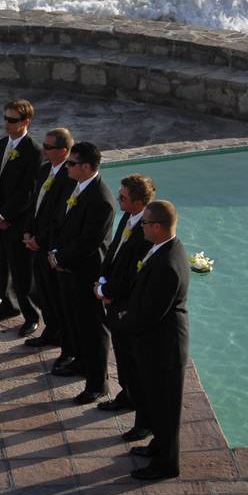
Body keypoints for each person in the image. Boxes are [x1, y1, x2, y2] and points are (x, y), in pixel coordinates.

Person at [118, 200, 189, 480]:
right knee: (157, 403)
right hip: (156, 344)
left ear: (157, 227)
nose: (141, 227)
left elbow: (151, 313)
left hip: (163, 348)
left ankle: (166, 464)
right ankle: (158, 445)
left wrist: (123, 323)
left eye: (145, 223)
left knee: (165, 407)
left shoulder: (167, 265)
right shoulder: (165, 249)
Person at [47, 142, 115, 404]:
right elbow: (64, 225)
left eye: (72, 163)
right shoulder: (77, 187)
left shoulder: (101, 200)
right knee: (75, 320)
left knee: (93, 327)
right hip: (68, 268)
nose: (67, 166)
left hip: (86, 272)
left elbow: (90, 241)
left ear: (87, 167)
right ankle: (81, 362)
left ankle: (98, 383)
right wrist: (55, 252)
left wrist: (61, 258)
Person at [95, 175, 155, 440]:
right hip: (113, 298)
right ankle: (127, 394)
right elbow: (114, 252)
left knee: (136, 363)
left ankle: (144, 420)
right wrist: (102, 280)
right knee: (122, 355)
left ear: (139, 202)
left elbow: (134, 273)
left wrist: (109, 292)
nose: (119, 200)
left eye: (123, 197)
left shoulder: (147, 230)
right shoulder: (126, 218)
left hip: (127, 305)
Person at [0, 99, 43, 336]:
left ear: (25, 121)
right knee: (1, 263)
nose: (6, 123)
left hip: (19, 221)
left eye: (12, 120)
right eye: (5, 118)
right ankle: (7, 304)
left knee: (21, 269)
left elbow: (29, 191)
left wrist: (5, 214)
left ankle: (31, 314)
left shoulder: (34, 152)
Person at [22, 128, 76, 348]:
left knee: (55, 295)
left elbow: (58, 216)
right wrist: (27, 232)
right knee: (43, 292)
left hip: (51, 245)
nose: (43, 150)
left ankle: (62, 336)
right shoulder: (46, 171)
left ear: (63, 151)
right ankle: (50, 331)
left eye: (48, 147)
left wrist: (40, 240)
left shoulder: (69, 177)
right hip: (36, 242)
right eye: (43, 145)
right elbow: (34, 204)